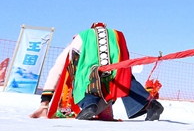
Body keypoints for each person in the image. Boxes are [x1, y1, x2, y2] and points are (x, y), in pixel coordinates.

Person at [29, 22, 163, 121]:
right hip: (116, 58)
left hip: (91, 77)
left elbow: (56, 70)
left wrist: (44, 104)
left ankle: (89, 104)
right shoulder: (114, 36)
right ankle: (150, 104)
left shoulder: (79, 39)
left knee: (83, 76)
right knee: (122, 76)